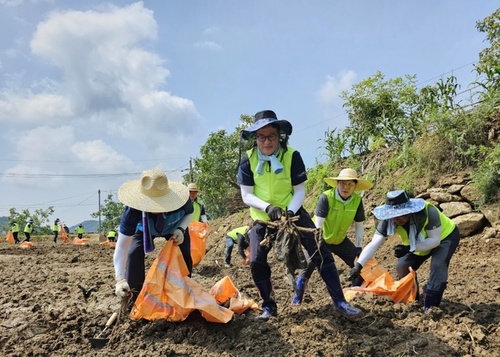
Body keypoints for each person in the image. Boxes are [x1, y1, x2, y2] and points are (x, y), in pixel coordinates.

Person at [237, 109, 362, 321]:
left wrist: (289, 213)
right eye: (261, 137)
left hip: (292, 212)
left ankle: (340, 302)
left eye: (271, 136)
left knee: (321, 252)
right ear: (255, 138)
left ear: (279, 136)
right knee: (257, 260)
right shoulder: (246, 161)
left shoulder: (292, 156)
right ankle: (269, 307)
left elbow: (300, 191)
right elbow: (246, 195)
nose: (266, 142)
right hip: (262, 216)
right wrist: (269, 209)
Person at [348, 189, 461, 313]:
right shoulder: (388, 221)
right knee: (402, 266)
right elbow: (374, 243)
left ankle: (431, 306)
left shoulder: (428, 212)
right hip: (417, 244)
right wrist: (358, 266)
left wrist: (409, 248)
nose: (398, 218)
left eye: (402, 214)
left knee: (438, 266)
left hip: (444, 238)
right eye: (394, 215)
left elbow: (434, 241)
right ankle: (414, 299)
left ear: (410, 210)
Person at [292, 168, 373, 305]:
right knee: (307, 267)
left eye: (349, 184)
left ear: (355, 186)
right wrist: (317, 243)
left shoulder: (357, 201)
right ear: (337, 184)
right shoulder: (327, 197)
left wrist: (358, 247)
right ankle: (296, 301)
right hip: (321, 239)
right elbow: (318, 223)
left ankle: (356, 296)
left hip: (341, 240)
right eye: (342, 183)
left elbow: (359, 225)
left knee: (360, 264)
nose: (345, 187)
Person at [113, 167, 193, 302]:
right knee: (133, 253)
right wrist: (120, 279)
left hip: (173, 227)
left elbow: (190, 213)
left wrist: (181, 229)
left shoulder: (182, 201)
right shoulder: (133, 211)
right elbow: (122, 247)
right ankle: (134, 298)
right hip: (144, 229)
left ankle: (184, 293)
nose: (156, 207)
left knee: (184, 252)